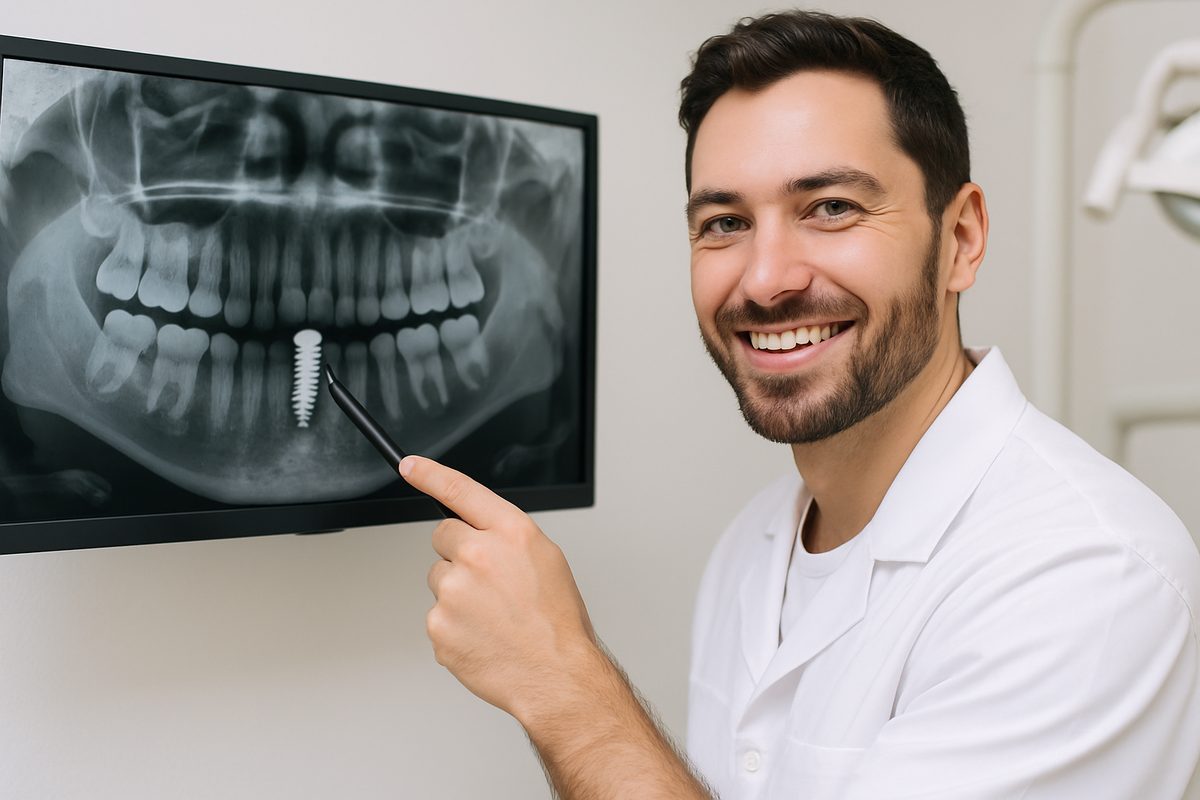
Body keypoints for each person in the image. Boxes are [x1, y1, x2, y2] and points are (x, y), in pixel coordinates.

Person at [399, 9, 1200, 799]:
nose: (764, 278)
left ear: (960, 239)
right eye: (725, 223)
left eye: (831, 208)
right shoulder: (756, 545)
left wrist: (561, 683)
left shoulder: (1083, 579)